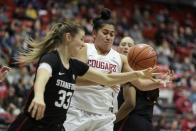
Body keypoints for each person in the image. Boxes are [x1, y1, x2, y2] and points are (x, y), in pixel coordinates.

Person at [7, 20, 158, 131]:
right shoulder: (51, 59)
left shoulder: (76, 65)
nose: (82, 43)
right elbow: (41, 77)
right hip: (34, 122)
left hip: (56, 126)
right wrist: (39, 96)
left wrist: (140, 73)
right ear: (68, 38)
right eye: (81, 39)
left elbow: (106, 78)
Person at [64, 8, 172, 131]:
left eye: (112, 34)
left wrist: (159, 82)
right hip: (78, 111)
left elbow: (140, 84)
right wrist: (105, 80)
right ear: (94, 33)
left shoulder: (120, 58)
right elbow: (74, 79)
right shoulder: (85, 49)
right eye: (105, 33)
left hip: (104, 117)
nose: (108, 37)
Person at [114, 37, 169, 131]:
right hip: (147, 123)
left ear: (135, 50)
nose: (126, 47)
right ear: (117, 48)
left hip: (130, 122)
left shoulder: (132, 73)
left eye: (129, 45)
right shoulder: (147, 73)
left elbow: (130, 103)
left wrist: (113, 122)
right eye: (123, 44)